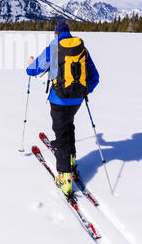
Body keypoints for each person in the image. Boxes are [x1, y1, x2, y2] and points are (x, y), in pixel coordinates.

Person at [26, 21, 99, 197]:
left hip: (59, 99)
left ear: (56, 34)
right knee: (69, 125)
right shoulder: (82, 49)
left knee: (61, 134)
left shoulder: (54, 46)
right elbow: (95, 77)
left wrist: (29, 64)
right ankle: (72, 160)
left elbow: (33, 70)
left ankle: (65, 178)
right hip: (77, 100)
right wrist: (83, 90)